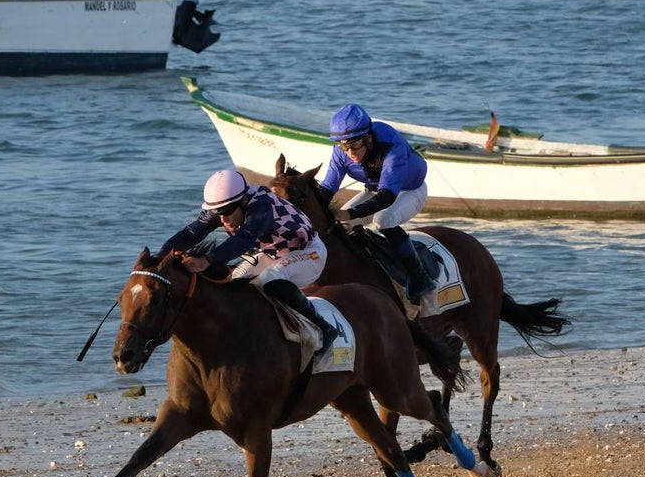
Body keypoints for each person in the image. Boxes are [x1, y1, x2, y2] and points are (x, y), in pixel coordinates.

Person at [157, 169, 338, 356]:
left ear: (243, 201)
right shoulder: (227, 204)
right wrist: (158, 258)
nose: (223, 219)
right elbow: (190, 233)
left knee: (269, 280)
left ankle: (324, 328)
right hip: (272, 253)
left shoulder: (261, 204)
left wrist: (206, 260)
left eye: (227, 212)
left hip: (309, 253)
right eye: (217, 214)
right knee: (234, 281)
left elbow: (244, 239)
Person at [319, 103, 436, 302]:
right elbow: (327, 189)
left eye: (355, 146)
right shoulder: (342, 151)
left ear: (368, 137)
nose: (351, 154)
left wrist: (351, 213)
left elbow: (387, 197)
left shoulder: (391, 144)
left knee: (384, 219)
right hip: (374, 191)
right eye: (344, 148)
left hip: (409, 191)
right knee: (341, 225)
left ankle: (420, 277)